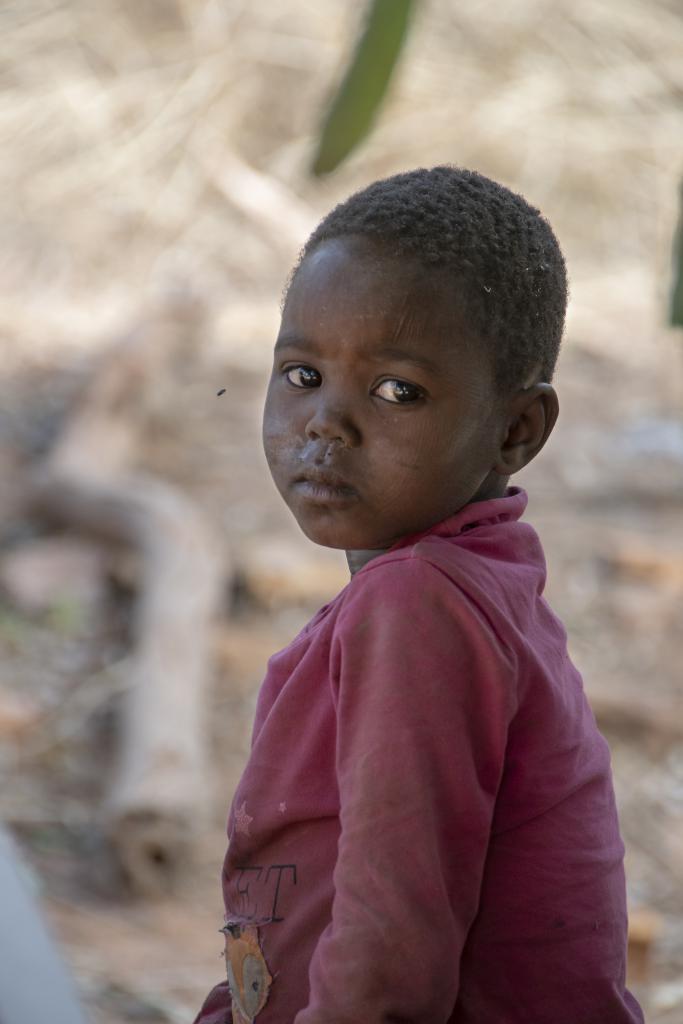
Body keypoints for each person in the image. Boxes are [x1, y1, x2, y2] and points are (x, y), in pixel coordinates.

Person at [194, 167, 643, 1024]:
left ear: (515, 430)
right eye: (300, 375)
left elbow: (389, 961)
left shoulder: (419, 606)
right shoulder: (465, 588)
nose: (326, 423)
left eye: (397, 390)